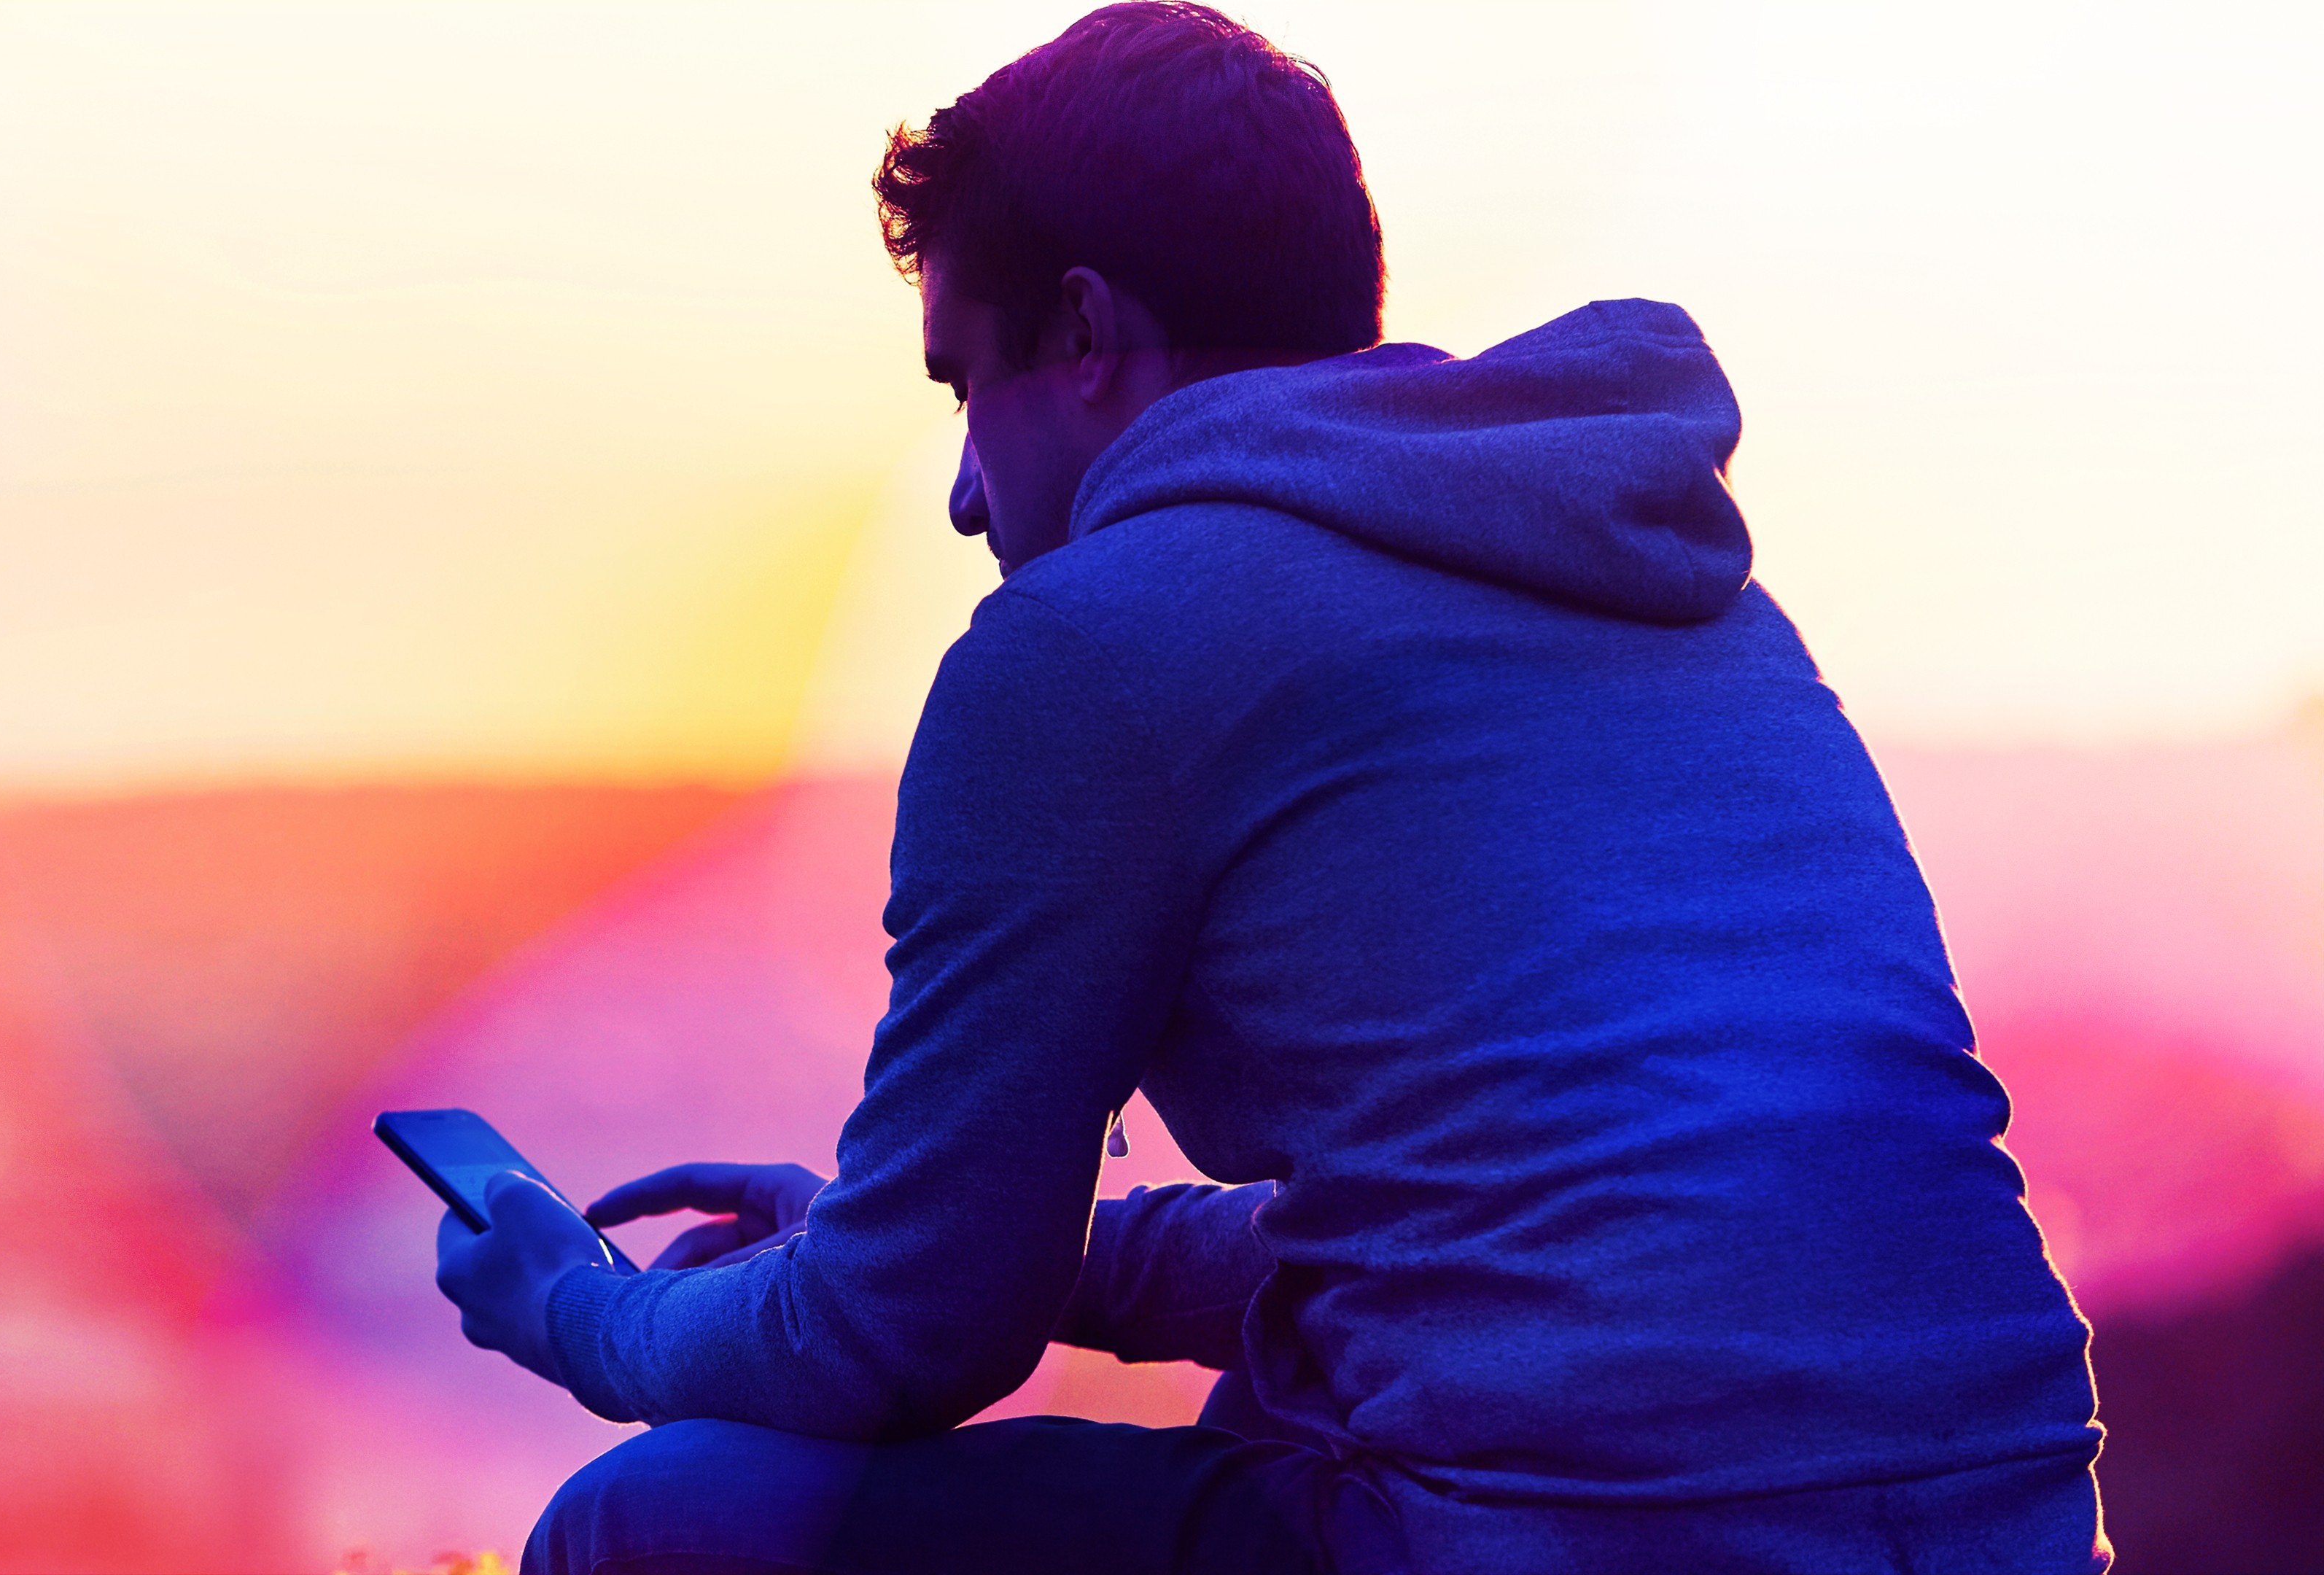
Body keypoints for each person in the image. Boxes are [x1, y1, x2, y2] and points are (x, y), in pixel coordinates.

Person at [432, 5, 2110, 1571]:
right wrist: (1018, 1249)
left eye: (965, 387)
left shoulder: (1089, 641)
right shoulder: (1683, 590)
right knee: (1282, 1405)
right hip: (2011, 1517)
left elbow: (904, 1337)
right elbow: (1539, 1237)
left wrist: (579, 1311)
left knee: (655, 1523)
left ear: (1087, 333)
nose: (959, 497)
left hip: (1573, 1531)